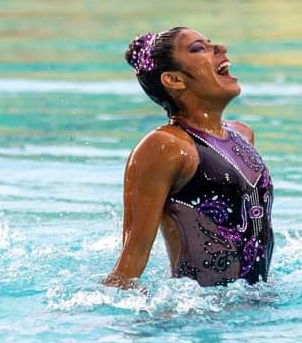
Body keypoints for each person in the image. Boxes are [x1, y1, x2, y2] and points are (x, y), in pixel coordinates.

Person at [104, 28, 273, 289]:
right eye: (198, 48)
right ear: (174, 79)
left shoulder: (242, 135)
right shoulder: (165, 146)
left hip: (257, 305)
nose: (221, 48)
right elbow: (132, 259)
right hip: (196, 315)